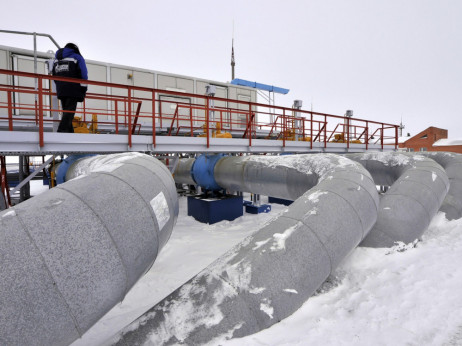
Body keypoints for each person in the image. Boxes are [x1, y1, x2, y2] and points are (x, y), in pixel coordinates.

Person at [52, 43, 88, 133]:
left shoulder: (56, 60)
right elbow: (84, 74)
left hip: (61, 90)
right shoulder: (77, 57)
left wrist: (59, 86)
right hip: (73, 89)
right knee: (69, 112)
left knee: (66, 112)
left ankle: (70, 132)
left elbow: (54, 76)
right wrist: (83, 89)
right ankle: (61, 131)